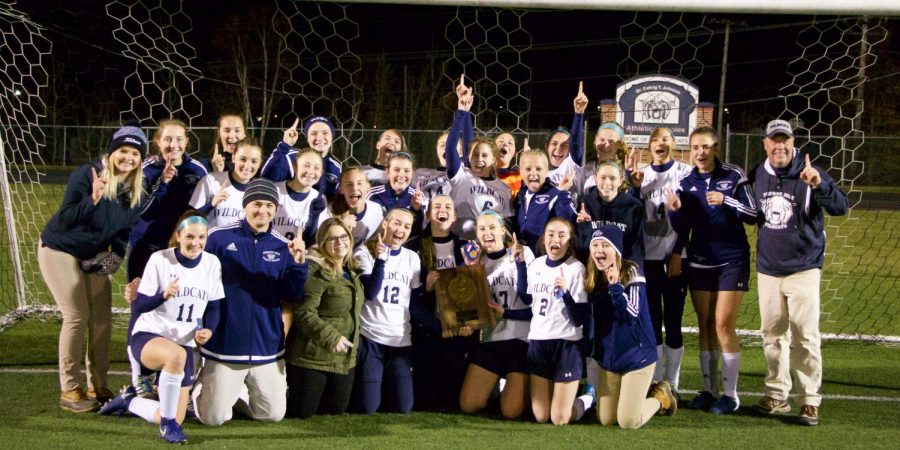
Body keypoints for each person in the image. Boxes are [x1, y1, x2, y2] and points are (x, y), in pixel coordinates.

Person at [38, 120, 149, 412]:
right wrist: (94, 199)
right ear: (112, 152)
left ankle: (97, 385)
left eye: (135, 154)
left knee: (102, 317)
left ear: (141, 159)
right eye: (123, 150)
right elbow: (64, 219)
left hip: (94, 254)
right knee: (77, 315)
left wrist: (117, 255)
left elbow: (125, 229)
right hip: (60, 249)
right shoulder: (87, 175)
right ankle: (70, 390)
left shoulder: (136, 189)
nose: (128, 157)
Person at [749, 119, 848, 426]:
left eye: (785, 140)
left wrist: (820, 184)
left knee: (805, 336)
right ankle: (776, 395)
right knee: (772, 336)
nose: (779, 146)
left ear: (793, 143)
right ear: (765, 144)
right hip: (768, 270)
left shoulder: (810, 173)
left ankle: (809, 400)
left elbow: (841, 208)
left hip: (803, 268)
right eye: (774, 140)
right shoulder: (757, 174)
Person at [192, 178, 308, 426]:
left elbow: (292, 293)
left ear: (276, 209)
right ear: (245, 205)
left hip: (266, 348)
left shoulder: (283, 246)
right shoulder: (218, 239)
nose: (262, 210)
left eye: (269, 205)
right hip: (225, 346)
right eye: (256, 204)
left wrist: (298, 264)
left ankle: (236, 394)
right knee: (212, 419)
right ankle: (201, 390)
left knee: (273, 414)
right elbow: (197, 279)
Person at [99, 215, 223, 444]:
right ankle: (168, 426)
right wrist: (163, 295)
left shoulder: (212, 264)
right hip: (149, 336)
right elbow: (139, 305)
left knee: (178, 415)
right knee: (175, 358)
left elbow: (214, 306)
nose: (195, 242)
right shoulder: (160, 260)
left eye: (201, 237)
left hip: (184, 343)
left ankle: (129, 402)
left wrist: (209, 331)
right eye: (189, 237)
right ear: (178, 236)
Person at [667, 126, 756, 414]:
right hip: (700, 260)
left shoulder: (733, 175)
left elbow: (754, 214)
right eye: (695, 147)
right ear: (690, 150)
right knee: (705, 324)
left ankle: (730, 395)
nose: (701, 152)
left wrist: (726, 200)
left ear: (716, 148)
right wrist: (675, 210)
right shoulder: (686, 180)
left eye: (706, 147)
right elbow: (683, 226)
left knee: (722, 324)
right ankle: (708, 390)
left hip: (732, 259)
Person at [586, 225, 677, 429]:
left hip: (637, 357)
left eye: (605, 246)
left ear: (617, 250)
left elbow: (631, 315)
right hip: (610, 360)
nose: (599, 251)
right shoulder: (592, 275)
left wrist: (616, 287)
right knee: (606, 419)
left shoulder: (632, 273)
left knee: (628, 421)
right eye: (595, 245)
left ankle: (660, 397)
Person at [629, 126, 692, 397]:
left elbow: (689, 216)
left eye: (665, 139)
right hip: (649, 260)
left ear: (673, 144)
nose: (660, 143)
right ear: (649, 145)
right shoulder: (640, 175)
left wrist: (678, 251)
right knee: (652, 320)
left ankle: (673, 382)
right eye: (655, 139)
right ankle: (654, 381)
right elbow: (632, 213)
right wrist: (633, 186)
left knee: (674, 320)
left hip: (676, 258)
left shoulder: (685, 173)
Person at [285, 219, 363, 419]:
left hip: (344, 357)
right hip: (312, 356)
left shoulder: (351, 269)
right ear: (322, 243)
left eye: (343, 237)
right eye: (332, 239)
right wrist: (332, 337)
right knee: (302, 414)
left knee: (336, 411)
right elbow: (304, 312)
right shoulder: (316, 270)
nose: (340, 243)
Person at [459, 211, 534, 418]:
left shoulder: (523, 253)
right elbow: (472, 306)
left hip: (521, 339)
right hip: (493, 338)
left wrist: (507, 313)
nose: (487, 233)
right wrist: (472, 273)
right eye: (482, 229)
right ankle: (498, 386)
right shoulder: (476, 261)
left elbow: (532, 304)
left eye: (492, 227)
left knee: (511, 412)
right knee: (469, 404)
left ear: (503, 231)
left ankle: (512, 386)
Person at [351, 208, 423, 414]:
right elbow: (371, 293)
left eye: (407, 226)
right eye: (397, 223)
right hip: (371, 337)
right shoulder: (364, 252)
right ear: (385, 224)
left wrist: (442, 326)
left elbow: (414, 305)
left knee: (403, 407)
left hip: (400, 341)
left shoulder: (412, 258)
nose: (401, 230)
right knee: (368, 407)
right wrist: (381, 260)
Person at [523, 218, 594, 425]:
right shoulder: (535, 265)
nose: (556, 239)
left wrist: (565, 294)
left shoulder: (576, 269)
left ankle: (588, 398)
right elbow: (527, 300)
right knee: (541, 416)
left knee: (559, 418)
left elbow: (579, 319)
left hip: (567, 344)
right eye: (551, 234)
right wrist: (519, 265)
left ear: (569, 241)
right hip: (538, 342)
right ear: (544, 238)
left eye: (562, 235)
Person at [127, 119, 208, 281]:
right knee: (140, 301)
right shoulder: (146, 169)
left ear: (186, 141)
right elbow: (137, 209)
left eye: (179, 139)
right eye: (167, 139)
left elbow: (202, 213)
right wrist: (161, 183)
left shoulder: (198, 171)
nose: (173, 144)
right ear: (158, 141)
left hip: (180, 249)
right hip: (144, 248)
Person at [412, 196, 471, 411]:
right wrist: (425, 289)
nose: (442, 210)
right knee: (424, 400)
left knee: (451, 400)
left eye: (447, 207)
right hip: (427, 329)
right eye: (436, 207)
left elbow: (473, 290)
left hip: (456, 330)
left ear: (454, 217)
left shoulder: (466, 248)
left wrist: (468, 323)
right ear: (428, 214)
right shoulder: (417, 246)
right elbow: (409, 297)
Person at [445, 75, 513, 239]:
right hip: (459, 244)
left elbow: (507, 224)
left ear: (494, 160)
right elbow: (450, 148)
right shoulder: (462, 176)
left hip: (489, 248)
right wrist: (462, 112)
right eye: (475, 155)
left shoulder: (505, 189)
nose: (478, 159)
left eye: (484, 155)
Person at [576, 161, 645, 267]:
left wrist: (634, 274)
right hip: (592, 269)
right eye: (603, 178)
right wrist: (584, 228)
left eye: (612, 178)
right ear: (595, 179)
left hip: (622, 269)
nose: (607, 183)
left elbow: (636, 246)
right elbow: (581, 247)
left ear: (620, 181)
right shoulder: (585, 204)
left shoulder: (633, 206)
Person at [260, 116, 342, 199]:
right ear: (307, 138)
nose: (320, 138)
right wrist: (284, 146)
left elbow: (334, 199)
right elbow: (265, 181)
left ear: (332, 137)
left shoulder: (335, 167)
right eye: (314, 133)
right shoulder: (291, 157)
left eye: (325, 133)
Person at [514, 149, 577, 255]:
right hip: (523, 258)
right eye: (528, 169)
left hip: (546, 259)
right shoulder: (519, 196)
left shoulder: (556, 194)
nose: (533, 173)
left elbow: (570, 222)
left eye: (538, 169)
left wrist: (563, 193)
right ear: (520, 171)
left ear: (547, 170)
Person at [189, 140, 263, 228]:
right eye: (243, 159)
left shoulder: (259, 191)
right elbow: (190, 218)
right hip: (211, 241)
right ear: (233, 158)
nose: (247, 166)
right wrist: (212, 204)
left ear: (260, 163)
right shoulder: (211, 181)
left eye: (254, 161)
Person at [270, 147, 327, 246]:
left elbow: (313, 240)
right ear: (295, 167)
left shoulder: (319, 199)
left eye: (316, 168)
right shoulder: (275, 190)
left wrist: (314, 217)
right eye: (306, 165)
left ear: (321, 172)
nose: (310, 171)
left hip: (300, 256)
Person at [318, 167, 384, 248]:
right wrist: (340, 227)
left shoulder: (378, 212)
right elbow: (322, 247)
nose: (354, 188)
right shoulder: (330, 213)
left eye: (359, 183)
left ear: (368, 188)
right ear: (341, 190)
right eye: (349, 184)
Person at [545, 82, 588, 197]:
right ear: (546, 146)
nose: (558, 149)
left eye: (565, 145)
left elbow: (575, 144)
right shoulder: (539, 170)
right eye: (554, 143)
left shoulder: (571, 166)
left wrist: (578, 114)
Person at [582, 122, 628, 193]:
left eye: (612, 141)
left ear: (620, 146)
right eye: (602, 140)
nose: (606, 145)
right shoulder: (584, 169)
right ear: (595, 140)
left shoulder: (625, 174)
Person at [494, 132, 522, 198]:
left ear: (515, 153)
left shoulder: (519, 177)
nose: (505, 144)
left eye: (510, 143)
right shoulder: (481, 174)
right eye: (501, 141)